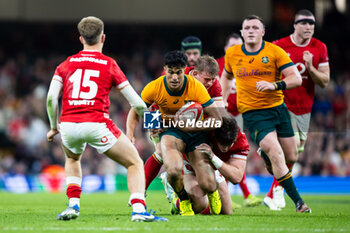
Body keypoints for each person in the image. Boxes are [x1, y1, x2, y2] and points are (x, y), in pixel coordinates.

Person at [46, 16, 167, 222]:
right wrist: (153, 124)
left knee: (73, 159)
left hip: (68, 124)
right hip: (96, 123)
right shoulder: (109, 64)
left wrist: (53, 127)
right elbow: (137, 103)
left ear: (81, 39)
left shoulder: (65, 64)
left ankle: (73, 206)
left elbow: (50, 99)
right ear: (103, 38)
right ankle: (138, 210)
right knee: (135, 162)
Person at [220, 15, 311, 213]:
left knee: (291, 155)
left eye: (255, 27)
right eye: (247, 28)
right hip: (253, 113)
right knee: (277, 152)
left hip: (278, 109)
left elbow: (296, 78)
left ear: (263, 32)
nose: (250, 30)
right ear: (242, 32)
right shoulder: (233, 54)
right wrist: (222, 103)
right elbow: (226, 77)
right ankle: (299, 203)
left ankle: (267, 158)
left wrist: (274, 85)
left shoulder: (275, 51)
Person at [127, 50, 223, 216]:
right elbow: (136, 111)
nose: (174, 78)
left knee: (207, 184)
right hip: (171, 132)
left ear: (184, 70)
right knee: (171, 170)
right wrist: (130, 133)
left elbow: (218, 120)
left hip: (196, 134)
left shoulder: (196, 87)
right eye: (170, 72)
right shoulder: (154, 87)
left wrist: (194, 126)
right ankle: (183, 200)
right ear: (165, 69)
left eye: (178, 73)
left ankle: (213, 192)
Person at [263, 9, 330, 210]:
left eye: (312, 23)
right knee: (291, 151)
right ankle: (277, 191)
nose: (308, 27)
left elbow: (325, 81)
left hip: (305, 108)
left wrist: (310, 68)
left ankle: (273, 190)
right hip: (282, 104)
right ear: (295, 25)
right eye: (304, 23)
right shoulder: (280, 46)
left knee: (293, 154)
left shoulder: (320, 47)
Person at [168, 115, 250, 215]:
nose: (225, 149)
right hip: (189, 164)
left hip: (212, 167)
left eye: (229, 144)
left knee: (226, 212)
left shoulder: (241, 142)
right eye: (222, 144)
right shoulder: (206, 125)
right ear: (215, 135)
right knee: (200, 204)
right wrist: (157, 127)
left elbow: (236, 178)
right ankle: (176, 198)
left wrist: (213, 157)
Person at [216, 32, 262, 207]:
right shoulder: (219, 65)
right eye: (233, 46)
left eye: (239, 45)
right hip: (222, 115)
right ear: (226, 48)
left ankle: (238, 194)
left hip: (240, 115)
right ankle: (241, 194)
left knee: (236, 153)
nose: (236, 49)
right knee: (224, 153)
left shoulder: (247, 64)